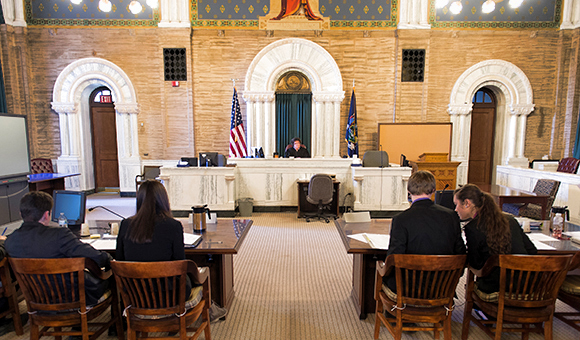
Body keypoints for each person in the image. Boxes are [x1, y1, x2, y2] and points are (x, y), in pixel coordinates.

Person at [116, 179, 227, 321]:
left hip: (136, 295)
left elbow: (119, 260)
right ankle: (209, 309)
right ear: (164, 200)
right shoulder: (173, 226)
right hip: (170, 296)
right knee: (196, 274)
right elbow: (180, 263)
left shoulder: (125, 225)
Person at [5, 191, 112, 306]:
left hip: (38, 302)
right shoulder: (59, 235)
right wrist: (110, 259)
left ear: (21, 214)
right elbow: (95, 257)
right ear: (47, 215)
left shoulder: (11, 241)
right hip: (74, 300)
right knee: (113, 276)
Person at [384, 170, 466, 291]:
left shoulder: (401, 219)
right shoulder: (451, 216)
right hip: (442, 287)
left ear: (408, 192)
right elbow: (461, 253)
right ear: (433, 191)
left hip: (408, 288)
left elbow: (394, 258)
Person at [454, 184, 537, 293]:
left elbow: (476, 264)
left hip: (497, 287)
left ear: (467, 203)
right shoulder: (510, 219)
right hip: (525, 285)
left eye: (456, 204)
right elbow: (532, 250)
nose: (455, 209)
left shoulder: (473, 228)